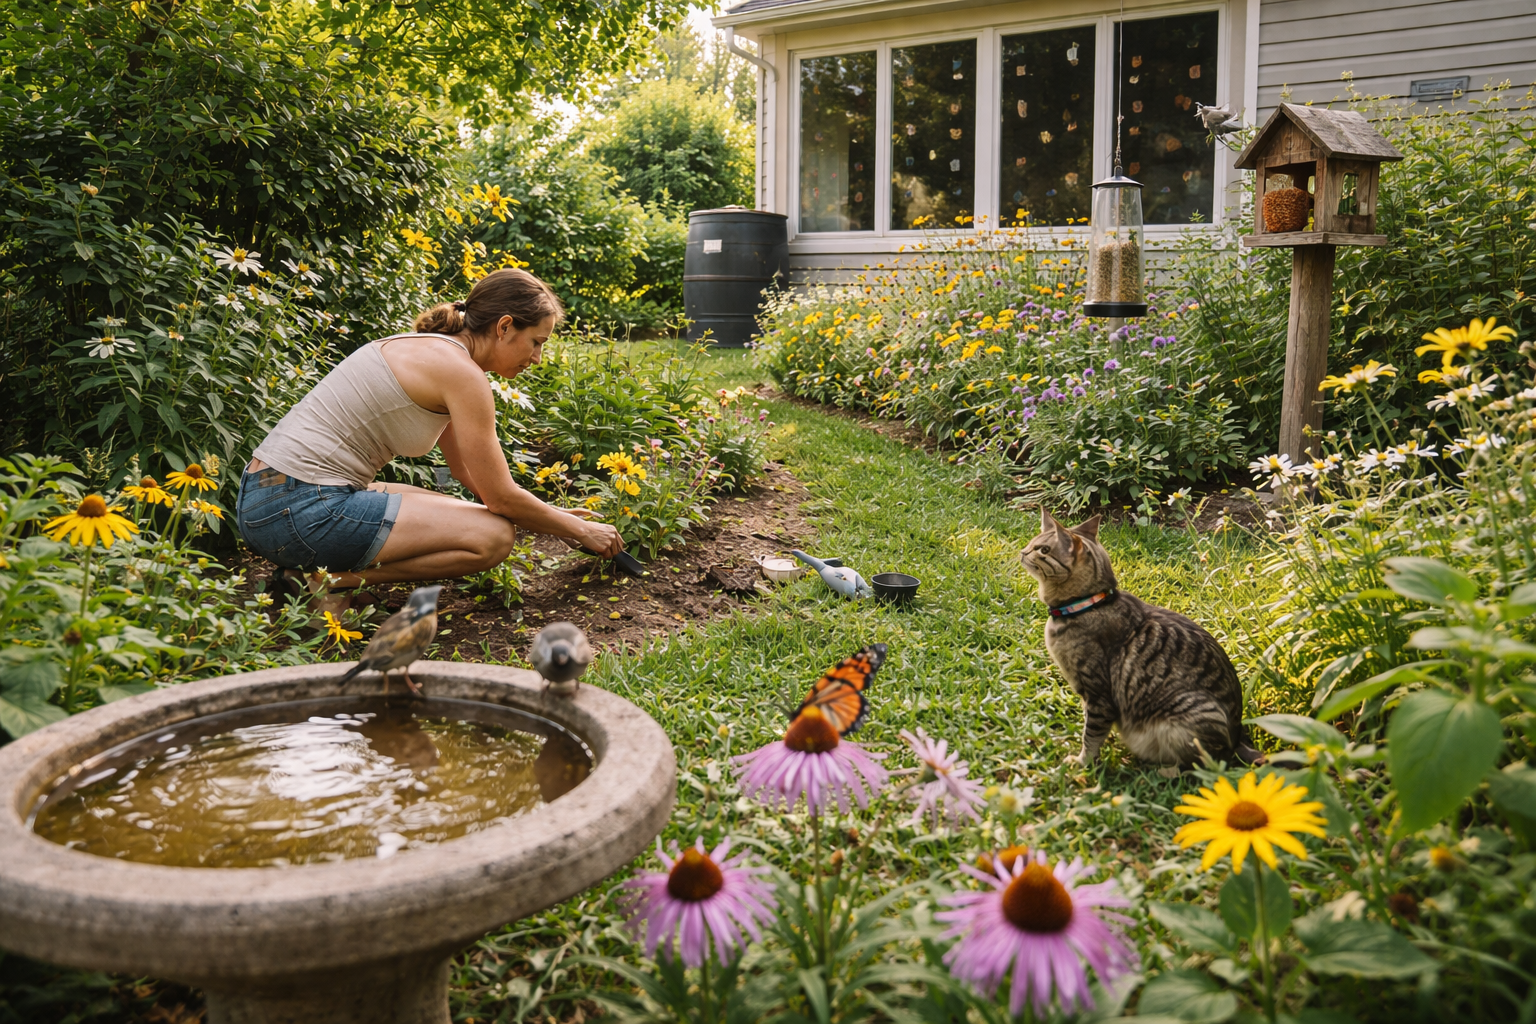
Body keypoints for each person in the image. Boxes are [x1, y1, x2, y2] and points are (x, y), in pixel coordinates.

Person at [236, 268, 623, 610]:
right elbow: (502, 499)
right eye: (536, 342)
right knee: (491, 537)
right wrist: (578, 528)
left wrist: (553, 519)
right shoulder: (461, 374)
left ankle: (318, 576)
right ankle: (331, 582)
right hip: (298, 511)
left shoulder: (437, 353)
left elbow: (466, 471)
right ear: (504, 327)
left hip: (266, 496)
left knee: (459, 510)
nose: (537, 357)